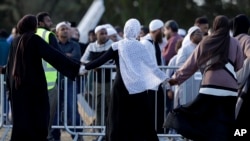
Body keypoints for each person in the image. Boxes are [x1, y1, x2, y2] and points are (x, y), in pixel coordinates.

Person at [81, 18, 169, 141]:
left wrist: (82, 67)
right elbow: (153, 67)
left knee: (117, 117)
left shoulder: (117, 46)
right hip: (138, 87)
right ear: (137, 31)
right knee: (140, 118)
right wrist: (167, 80)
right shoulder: (141, 46)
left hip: (120, 86)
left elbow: (99, 61)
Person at [3, 14, 83, 141]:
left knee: (22, 120)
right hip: (33, 87)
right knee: (38, 118)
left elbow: (10, 64)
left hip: (18, 88)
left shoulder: (16, 41)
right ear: (32, 25)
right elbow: (53, 55)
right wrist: (75, 67)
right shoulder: (34, 39)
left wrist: (9, 87)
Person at [164, 15, 244, 141]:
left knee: (204, 119)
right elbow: (240, 65)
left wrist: (176, 79)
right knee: (226, 123)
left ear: (215, 26)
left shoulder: (206, 41)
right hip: (230, 90)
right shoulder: (235, 42)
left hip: (209, 88)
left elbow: (191, 64)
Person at [50, 21, 83, 141]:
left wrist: (62, 56)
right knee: (54, 111)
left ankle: (77, 136)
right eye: (62, 29)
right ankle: (54, 136)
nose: (65, 30)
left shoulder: (75, 45)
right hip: (55, 83)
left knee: (72, 109)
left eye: (67, 29)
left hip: (70, 82)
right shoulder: (53, 44)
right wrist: (66, 56)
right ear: (57, 32)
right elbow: (53, 57)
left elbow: (76, 58)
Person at [35, 12, 62, 137]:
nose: (51, 24)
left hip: (32, 84)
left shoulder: (27, 35)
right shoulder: (49, 35)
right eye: (48, 21)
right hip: (49, 85)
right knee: (47, 119)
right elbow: (59, 55)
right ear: (40, 23)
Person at [140, 19, 166, 133]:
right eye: (162, 30)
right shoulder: (146, 43)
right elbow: (151, 64)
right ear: (158, 30)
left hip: (156, 83)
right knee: (151, 112)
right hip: (150, 85)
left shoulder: (154, 43)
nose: (164, 33)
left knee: (158, 111)